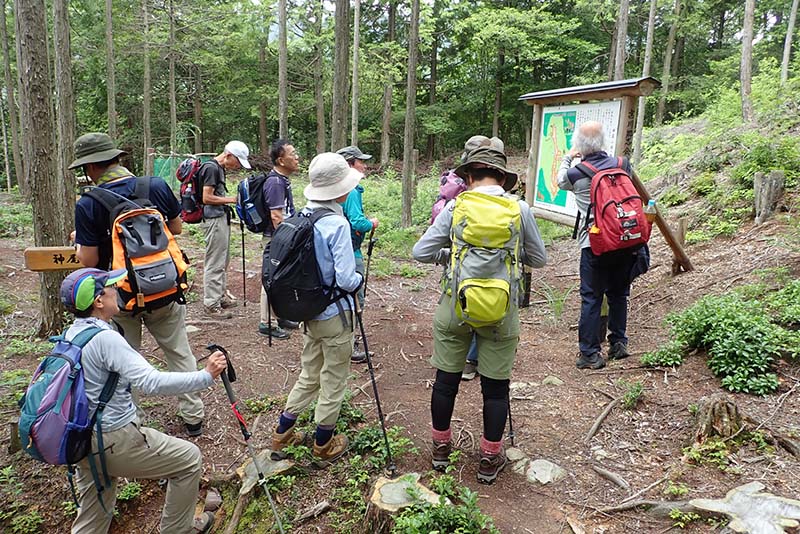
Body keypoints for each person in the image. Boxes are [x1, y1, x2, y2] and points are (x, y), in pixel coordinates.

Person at [413, 146, 547, 484]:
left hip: (455, 306)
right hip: (502, 311)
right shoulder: (520, 209)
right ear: (503, 177)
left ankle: (441, 451)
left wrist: (453, 254)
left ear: (468, 177)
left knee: (446, 381)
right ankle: (489, 459)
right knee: (496, 389)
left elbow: (420, 252)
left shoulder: (456, 207)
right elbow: (539, 259)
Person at [59, 267, 227, 534]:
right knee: (189, 458)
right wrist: (205, 376)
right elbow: (151, 381)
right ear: (98, 301)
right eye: (111, 287)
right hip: (114, 439)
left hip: (78, 440)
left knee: (93, 515)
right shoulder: (107, 339)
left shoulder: (70, 336)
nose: (118, 290)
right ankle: (178, 530)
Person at [72, 132, 207, 437]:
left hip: (118, 297)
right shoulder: (155, 186)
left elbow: (88, 261)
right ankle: (193, 415)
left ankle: (131, 424)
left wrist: (80, 243)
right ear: (117, 158)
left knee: (125, 359)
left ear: (90, 168)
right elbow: (176, 228)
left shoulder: (89, 203)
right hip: (165, 288)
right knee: (178, 350)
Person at [270, 152, 363, 466]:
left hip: (308, 311)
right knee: (334, 378)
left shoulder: (301, 215)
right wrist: (361, 277)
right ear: (341, 190)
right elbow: (347, 279)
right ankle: (323, 443)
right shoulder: (336, 223)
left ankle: (282, 434)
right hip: (336, 315)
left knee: (309, 374)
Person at [557, 121, 639, 370]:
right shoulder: (623, 165)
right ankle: (618, 343)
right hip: (624, 240)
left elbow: (560, 182)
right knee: (619, 294)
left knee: (592, 298)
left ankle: (590, 353)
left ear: (579, 146)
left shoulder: (576, 173)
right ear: (604, 141)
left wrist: (568, 158)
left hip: (593, 243)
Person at [432, 135, 505, 381]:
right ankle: (474, 360)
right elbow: (537, 257)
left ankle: (459, 361)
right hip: (496, 272)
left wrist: (448, 255)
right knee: (487, 301)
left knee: (462, 300)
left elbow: (422, 250)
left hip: (458, 265)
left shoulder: (455, 186)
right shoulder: (514, 206)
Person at [337, 145, 379, 363]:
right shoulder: (352, 190)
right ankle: (349, 345)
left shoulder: (336, 188)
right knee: (354, 295)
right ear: (350, 164)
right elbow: (356, 221)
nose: (365, 165)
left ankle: (345, 340)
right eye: (361, 161)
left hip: (340, 249)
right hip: (351, 251)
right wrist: (370, 222)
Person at [200, 140, 251, 318]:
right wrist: (232, 200)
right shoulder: (212, 168)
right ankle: (211, 303)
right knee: (215, 261)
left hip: (220, 218)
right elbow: (206, 197)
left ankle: (220, 296)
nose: (237, 166)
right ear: (228, 155)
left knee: (223, 259)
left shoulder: (218, 168)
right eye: (237, 162)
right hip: (213, 220)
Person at [258, 139, 300, 339]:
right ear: (281, 160)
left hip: (281, 238)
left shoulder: (282, 180)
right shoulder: (275, 182)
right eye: (293, 154)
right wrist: (286, 241)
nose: (297, 157)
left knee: (282, 278)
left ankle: (280, 315)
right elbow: (276, 216)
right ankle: (266, 322)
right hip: (278, 239)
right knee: (272, 278)